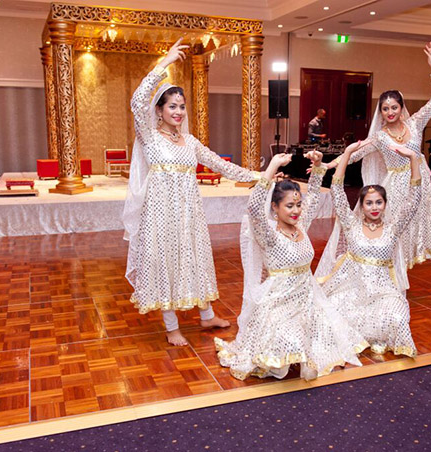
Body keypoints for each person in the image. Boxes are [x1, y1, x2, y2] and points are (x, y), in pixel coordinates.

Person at [124, 39, 260, 346]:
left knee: (194, 260)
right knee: (166, 265)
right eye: (172, 106)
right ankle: (172, 327)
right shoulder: (149, 138)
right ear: (158, 111)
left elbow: (221, 165)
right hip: (160, 216)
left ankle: (207, 314)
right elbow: (137, 101)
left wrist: (258, 176)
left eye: (182, 106)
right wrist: (165, 63)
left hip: (189, 215)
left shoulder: (190, 142)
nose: (179, 112)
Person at [215, 152, 366, 380]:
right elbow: (255, 209)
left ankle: (306, 356)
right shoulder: (268, 234)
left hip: (308, 302)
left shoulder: (301, 227)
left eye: (298, 205)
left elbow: (313, 196)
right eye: (289, 206)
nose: (296, 211)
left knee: (331, 337)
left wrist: (317, 167)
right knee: (289, 340)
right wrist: (272, 165)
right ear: (275, 207)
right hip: (279, 305)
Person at [325, 42, 431, 286]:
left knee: (413, 233)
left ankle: (399, 276)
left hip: (419, 185)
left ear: (401, 109)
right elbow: (356, 152)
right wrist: (328, 164)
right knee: (393, 231)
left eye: (394, 107)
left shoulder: (415, 124)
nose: (390, 112)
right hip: (395, 187)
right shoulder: (380, 136)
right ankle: (389, 278)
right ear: (381, 113)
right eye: (385, 109)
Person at [316, 142, 423, 357]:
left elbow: (414, 199)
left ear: (385, 204)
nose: (374, 208)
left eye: (379, 202)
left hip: (382, 291)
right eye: (369, 203)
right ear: (362, 205)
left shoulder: (393, 228)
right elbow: (336, 189)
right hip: (351, 288)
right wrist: (347, 153)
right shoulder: (351, 224)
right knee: (329, 314)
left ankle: (377, 336)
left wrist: (413, 158)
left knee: (398, 316)